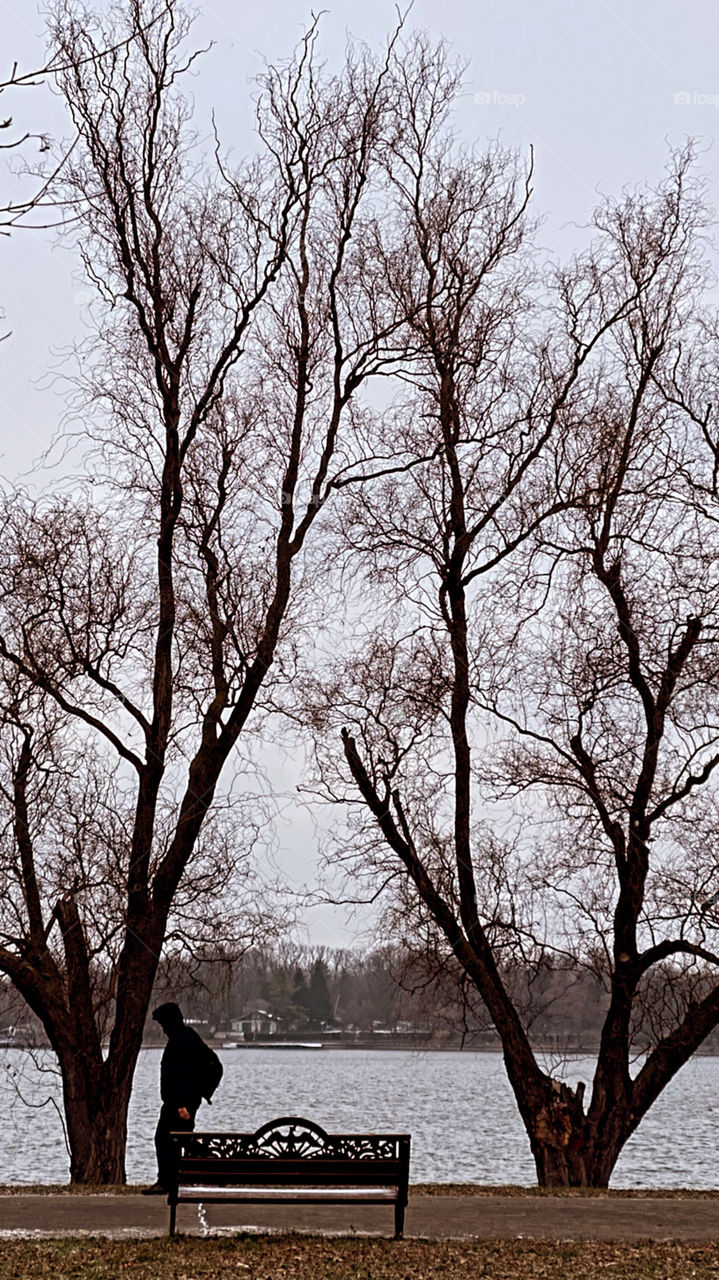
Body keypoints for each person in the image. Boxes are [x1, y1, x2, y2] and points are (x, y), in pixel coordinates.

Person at [142, 1001, 223, 1195]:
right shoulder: (186, 1037)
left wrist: (184, 1103)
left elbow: (186, 1075)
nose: (162, 1030)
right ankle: (175, 1177)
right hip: (177, 1102)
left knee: (167, 1139)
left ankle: (170, 1180)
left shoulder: (183, 1040)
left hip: (179, 1104)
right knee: (174, 1140)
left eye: (162, 1024)